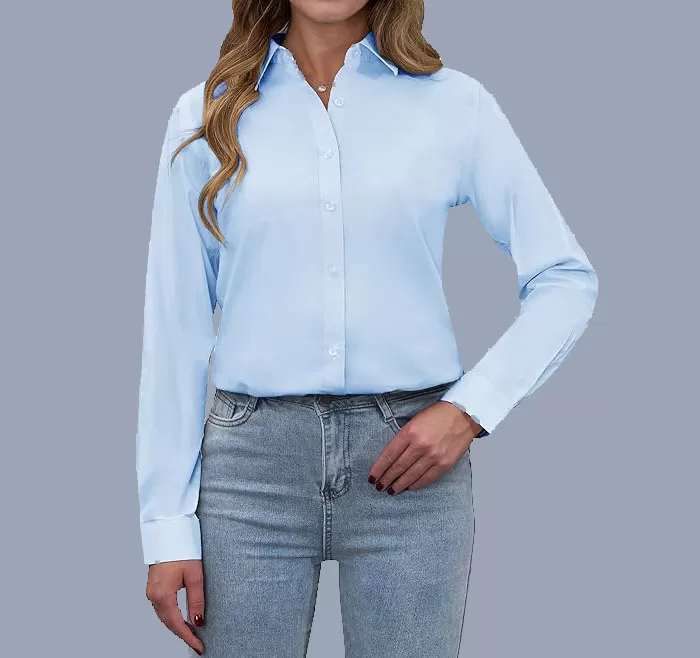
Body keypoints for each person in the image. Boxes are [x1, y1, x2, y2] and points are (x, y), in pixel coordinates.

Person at [135, 1, 598, 656]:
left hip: (411, 467)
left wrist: (470, 409)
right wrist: (166, 526)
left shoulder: (455, 105)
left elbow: (565, 278)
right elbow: (176, 330)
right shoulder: (206, 114)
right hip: (249, 476)